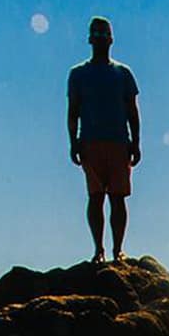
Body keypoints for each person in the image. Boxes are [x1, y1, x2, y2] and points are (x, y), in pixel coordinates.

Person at [67, 18, 142, 263]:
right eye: (96, 35)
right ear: (90, 39)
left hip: (119, 141)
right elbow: (73, 110)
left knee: (118, 197)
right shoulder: (78, 74)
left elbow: (133, 110)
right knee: (96, 196)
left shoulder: (123, 73)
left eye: (104, 35)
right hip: (90, 141)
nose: (100, 40)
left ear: (111, 39)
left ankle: (117, 249)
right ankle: (98, 249)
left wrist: (136, 142)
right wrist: (73, 142)